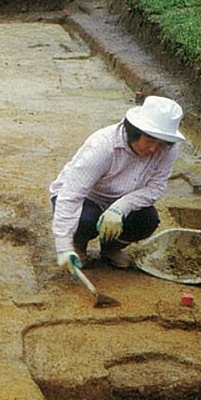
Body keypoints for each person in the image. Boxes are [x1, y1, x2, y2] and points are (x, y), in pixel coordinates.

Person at [49, 94, 185, 272]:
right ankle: (78, 245)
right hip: (89, 196)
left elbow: (156, 187)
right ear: (134, 131)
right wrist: (63, 246)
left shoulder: (167, 149)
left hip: (122, 197)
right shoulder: (103, 146)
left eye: (161, 143)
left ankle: (110, 248)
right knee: (85, 220)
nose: (154, 149)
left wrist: (122, 207)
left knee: (147, 220)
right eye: (150, 141)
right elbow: (71, 195)